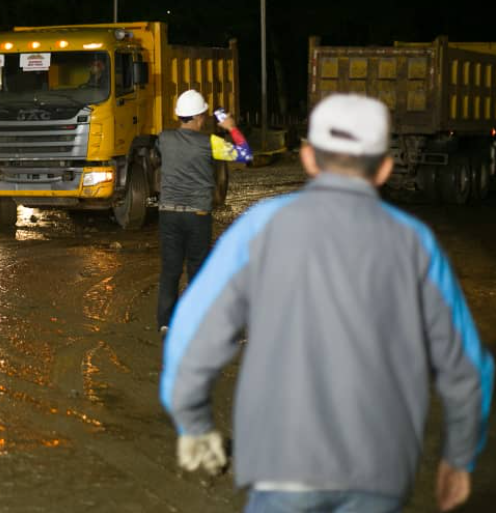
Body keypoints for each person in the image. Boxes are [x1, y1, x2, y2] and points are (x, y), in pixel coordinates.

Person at [160, 94, 493, 513]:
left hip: (281, 463)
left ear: (308, 158)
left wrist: (193, 422)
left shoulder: (261, 227)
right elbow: (466, 366)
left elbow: (195, 330)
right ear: (385, 167)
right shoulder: (415, 244)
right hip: (380, 470)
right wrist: (459, 458)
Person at [155, 89, 252, 335]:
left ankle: (166, 323)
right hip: (197, 215)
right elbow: (245, 154)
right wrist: (231, 127)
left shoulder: (164, 138)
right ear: (199, 117)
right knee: (197, 269)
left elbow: (157, 155)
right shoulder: (210, 143)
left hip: (168, 214)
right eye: (203, 116)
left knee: (170, 270)